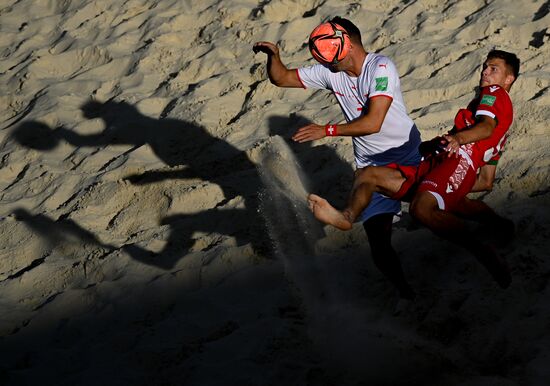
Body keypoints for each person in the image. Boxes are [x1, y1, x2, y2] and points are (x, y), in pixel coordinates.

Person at [309, 50, 520, 289]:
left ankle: (484, 253)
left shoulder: (493, 93)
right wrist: (451, 177)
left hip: (458, 158)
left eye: (494, 68)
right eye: (485, 66)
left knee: (422, 208)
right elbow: (487, 180)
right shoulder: (500, 112)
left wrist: (458, 139)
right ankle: (346, 217)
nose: (485, 71)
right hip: (441, 161)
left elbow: (486, 128)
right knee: (368, 174)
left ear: (508, 79)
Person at [254, 17, 422, 299]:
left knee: (430, 209)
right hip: (370, 165)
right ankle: (407, 293)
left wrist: (326, 130)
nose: (328, 65)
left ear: (351, 45)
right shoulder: (332, 72)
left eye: (331, 58)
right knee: (379, 244)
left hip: (407, 154)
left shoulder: (381, 67)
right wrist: (274, 56)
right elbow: (281, 78)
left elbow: (373, 123)